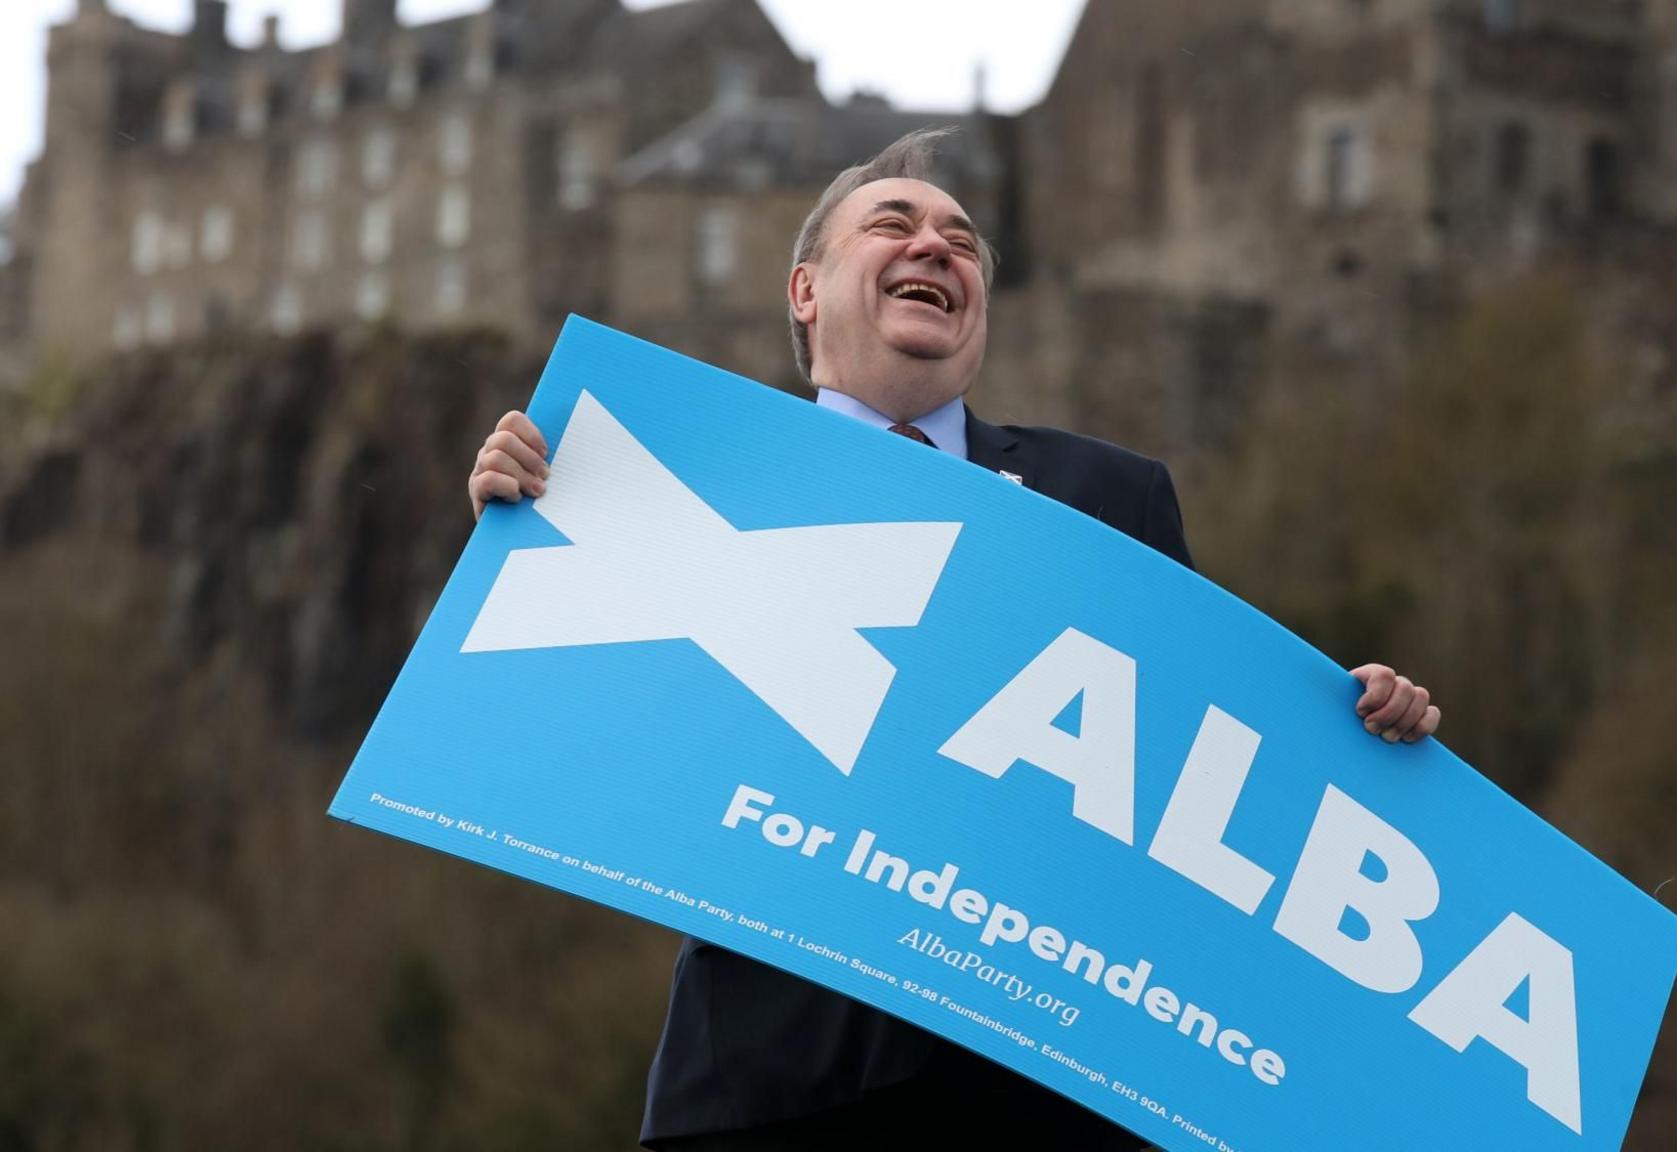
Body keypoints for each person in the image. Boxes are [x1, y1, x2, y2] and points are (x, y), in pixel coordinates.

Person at [466, 130, 1442, 1150]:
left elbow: (1203, 765)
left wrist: (1346, 726)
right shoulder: (689, 479)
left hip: (1040, 1089)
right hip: (764, 1082)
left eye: (962, 241)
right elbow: (589, 730)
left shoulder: (1111, 496)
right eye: (893, 224)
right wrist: (523, 524)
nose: (935, 247)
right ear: (805, 290)